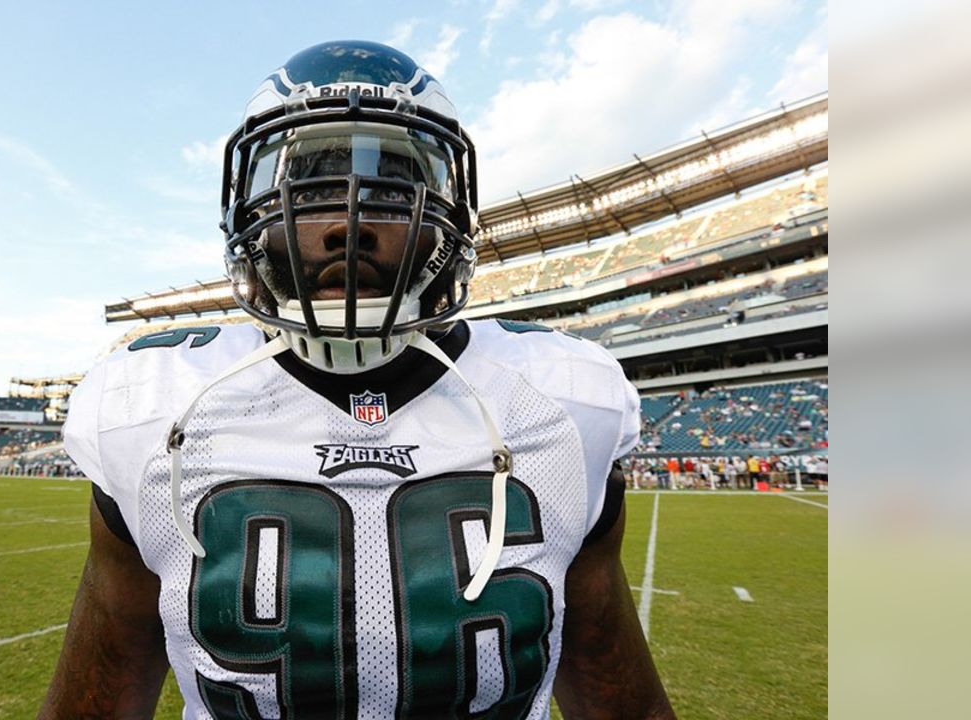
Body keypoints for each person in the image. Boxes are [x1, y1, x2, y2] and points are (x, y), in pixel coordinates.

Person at [40, 41, 674, 719]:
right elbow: (100, 700)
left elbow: (612, 691)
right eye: (311, 192)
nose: (348, 223)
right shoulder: (153, 404)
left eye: (391, 191)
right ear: (249, 215)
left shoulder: (564, 399)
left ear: (449, 220)